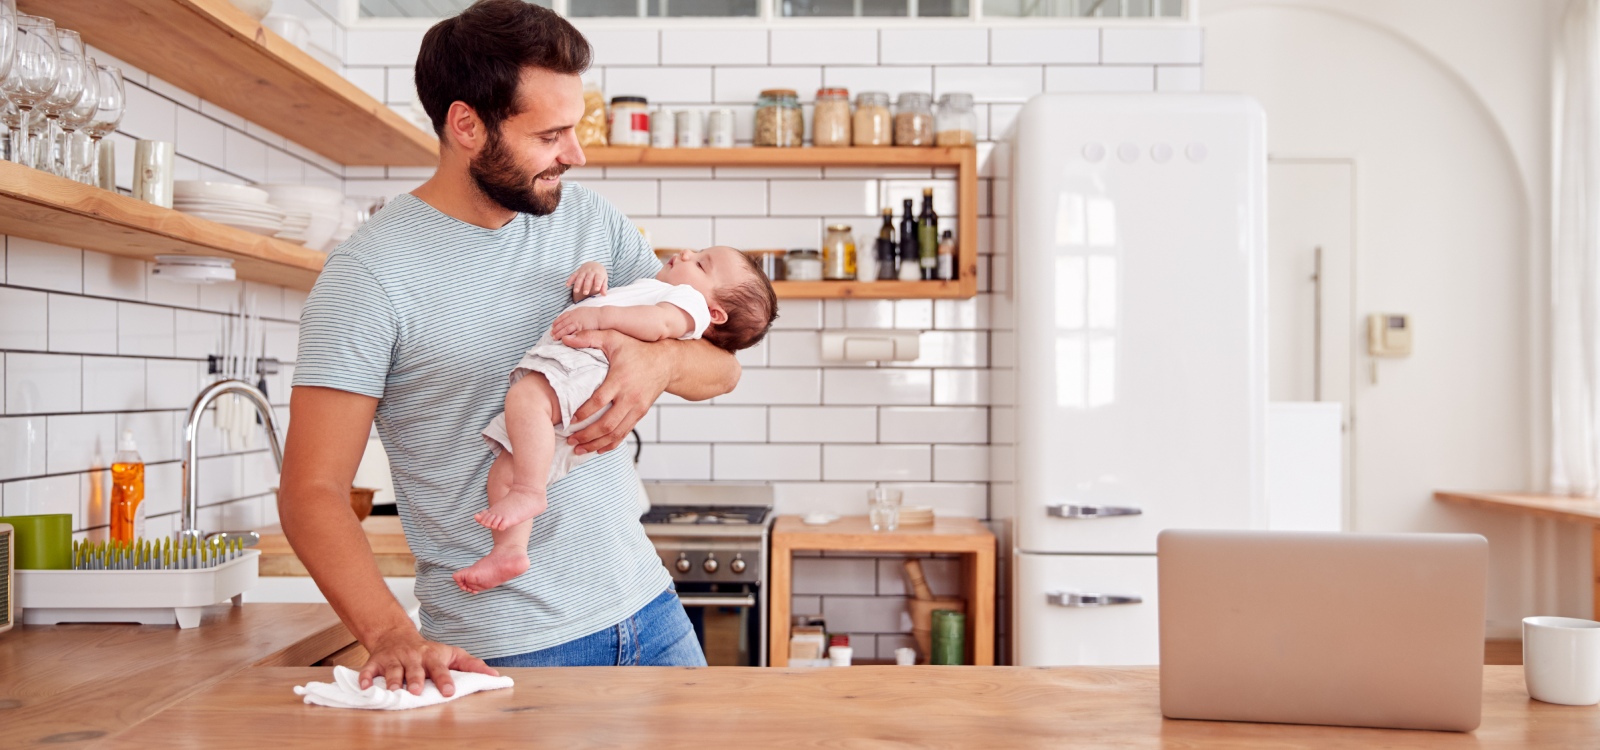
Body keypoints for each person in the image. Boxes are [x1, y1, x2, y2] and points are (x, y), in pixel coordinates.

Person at [277, 0, 742, 695]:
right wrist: (391, 634)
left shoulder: (588, 219)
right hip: (508, 651)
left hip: (652, 609)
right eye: (551, 134)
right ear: (466, 125)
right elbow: (311, 493)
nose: (575, 154)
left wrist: (664, 361)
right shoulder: (369, 275)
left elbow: (720, 367)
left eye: (574, 128)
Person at [458, 247, 777, 593]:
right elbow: (623, 303)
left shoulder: (687, 302)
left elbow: (658, 324)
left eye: (701, 263)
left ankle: (529, 491)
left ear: (713, 314)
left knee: (525, 400)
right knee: (508, 467)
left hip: (587, 367)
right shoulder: (658, 288)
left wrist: (599, 317)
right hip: (581, 384)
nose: (687, 253)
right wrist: (594, 278)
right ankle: (510, 550)